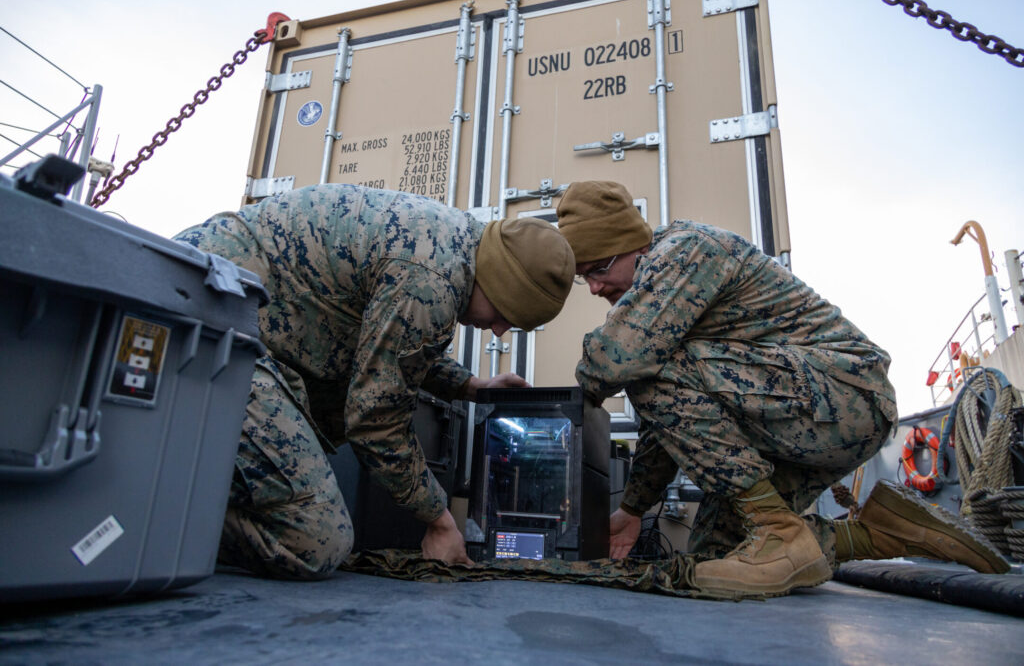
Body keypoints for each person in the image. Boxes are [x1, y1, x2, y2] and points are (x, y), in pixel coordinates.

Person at [555, 180, 1009, 597]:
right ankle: (880, 532)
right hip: (801, 412)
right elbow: (670, 416)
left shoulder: (685, 251)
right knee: (715, 559)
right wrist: (633, 509)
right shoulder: (658, 302)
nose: (594, 288)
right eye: (584, 277)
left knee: (637, 362)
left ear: (629, 244)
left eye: (598, 269)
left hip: (847, 395)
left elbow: (619, 360)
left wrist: (571, 401)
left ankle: (779, 531)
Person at [176, 183, 574, 579]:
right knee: (315, 540)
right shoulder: (431, 279)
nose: (500, 331)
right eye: (506, 313)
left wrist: (470, 387)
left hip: (230, 314)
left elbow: (393, 347)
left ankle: (178, 483)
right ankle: (154, 507)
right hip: (207, 319)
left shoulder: (456, 244)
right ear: (499, 279)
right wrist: (439, 519)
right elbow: (375, 422)